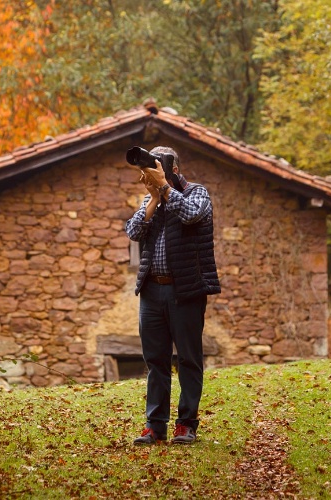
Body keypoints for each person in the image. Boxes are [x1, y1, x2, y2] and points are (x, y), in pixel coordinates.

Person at [124, 146, 220, 445]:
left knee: (189, 359)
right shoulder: (151, 198)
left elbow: (191, 216)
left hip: (186, 290)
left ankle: (187, 424)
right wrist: (154, 197)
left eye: (156, 166)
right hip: (152, 291)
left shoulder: (197, 193)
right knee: (156, 361)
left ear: (173, 169)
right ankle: (155, 426)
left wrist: (165, 188)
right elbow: (134, 231)